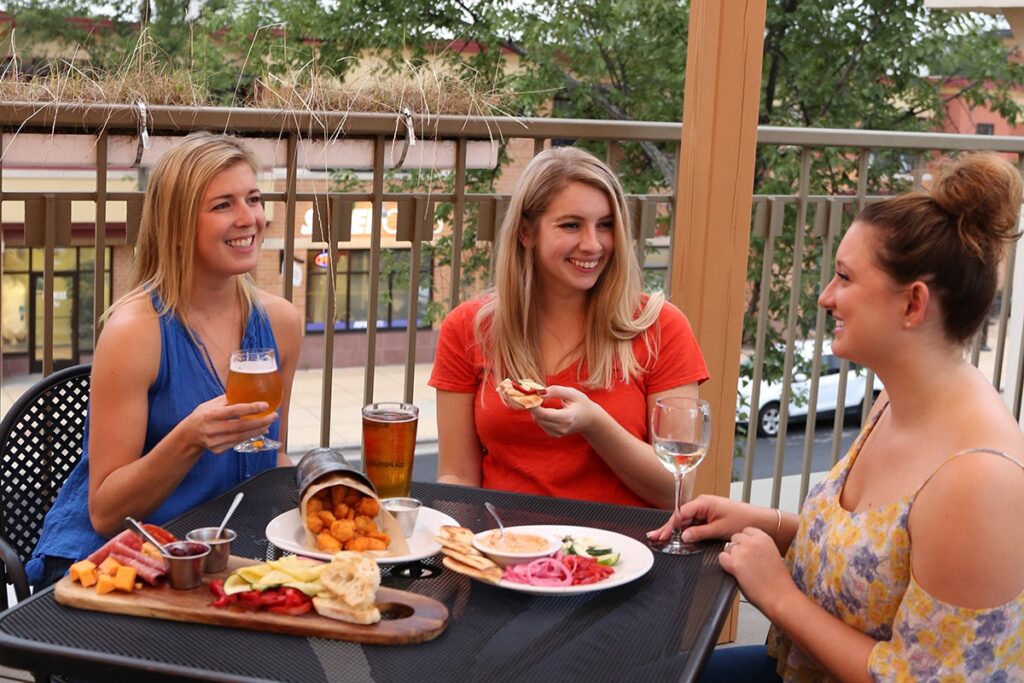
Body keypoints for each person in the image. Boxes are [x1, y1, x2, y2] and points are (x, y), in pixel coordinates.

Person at [650, 152, 1024, 682]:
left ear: (913, 305)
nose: (826, 297)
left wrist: (777, 595)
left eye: (845, 278)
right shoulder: (892, 402)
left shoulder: (978, 482)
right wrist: (768, 523)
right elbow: (880, 561)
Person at [27, 132, 302, 589]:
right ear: (176, 225)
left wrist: (323, 486)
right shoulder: (135, 330)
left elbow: (266, 454)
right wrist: (190, 438)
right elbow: (105, 511)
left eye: (253, 199)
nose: (249, 218)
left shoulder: (281, 323)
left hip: (209, 557)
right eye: (222, 205)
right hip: (112, 564)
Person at [429, 147, 709, 508]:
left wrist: (595, 424)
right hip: (507, 549)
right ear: (526, 233)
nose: (593, 244)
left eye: (605, 225)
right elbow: (457, 478)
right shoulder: (468, 328)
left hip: (626, 555)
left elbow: (677, 490)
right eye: (571, 225)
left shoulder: (661, 327)